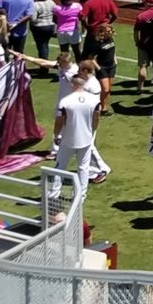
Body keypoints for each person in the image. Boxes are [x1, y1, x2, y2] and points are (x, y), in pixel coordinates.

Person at [48, 74, 102, 208]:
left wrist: (56, 135)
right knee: (83, 168)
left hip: (68, 139)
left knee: (60, 167)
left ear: (73, 85)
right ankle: (81, 195)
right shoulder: (94, 100)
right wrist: (92, 130)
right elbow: (96, 118)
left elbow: (59, 122)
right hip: (86, 138)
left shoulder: (65, 101)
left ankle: (54, 193)